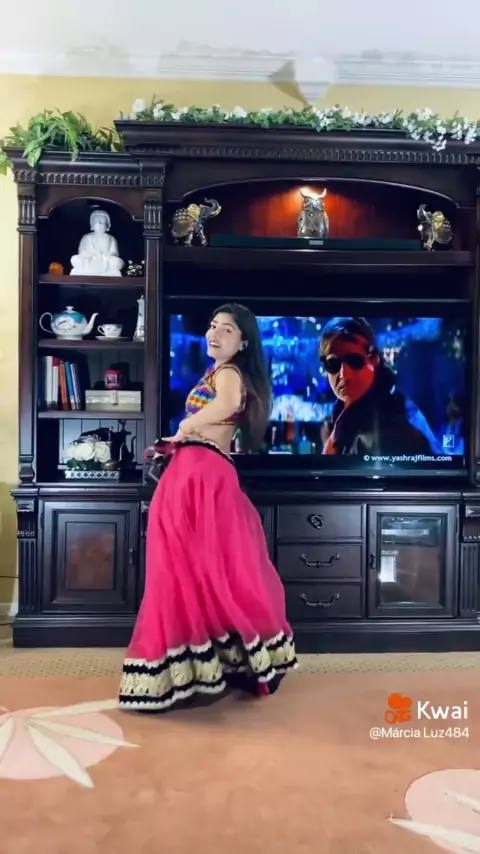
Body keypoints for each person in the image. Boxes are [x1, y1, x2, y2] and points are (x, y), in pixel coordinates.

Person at [118, 303, 297, 713]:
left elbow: (227, 404)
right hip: (200, 471)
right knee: (207, 570)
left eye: (227, 329)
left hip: (201, 476)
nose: (214, 334)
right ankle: (227, 664)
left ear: (244, 342)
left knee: (185, 569)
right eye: (213, 326)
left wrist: (186, 426)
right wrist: (176, 440)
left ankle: (192, 670)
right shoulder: (217, 372)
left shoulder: (229, 373)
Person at [319, 317, 441, 457]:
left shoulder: (394, 426)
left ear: (374, 359)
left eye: (354, 361)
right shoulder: (342, 415)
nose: (344, 375)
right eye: (333, 364)